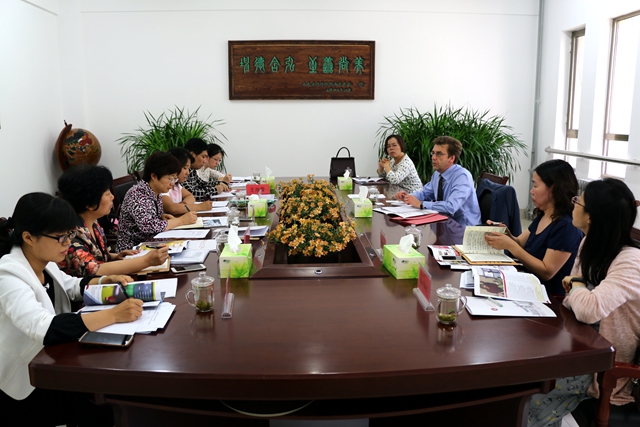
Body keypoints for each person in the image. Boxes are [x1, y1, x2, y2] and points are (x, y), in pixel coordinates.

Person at [0, 192, 143, 426]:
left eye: (69, 235)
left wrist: (104, 281)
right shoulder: (8, 275)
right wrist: (113, 315)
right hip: (27, 379)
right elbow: (44, 327)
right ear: (29, 237)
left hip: (54, 359)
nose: (67, 243)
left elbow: (72, 286)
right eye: (60, 237)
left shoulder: (44, 262)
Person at [527, 178, 640, 427]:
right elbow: (571, 297)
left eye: (579, 201)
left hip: (601, 366)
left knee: (528, 392)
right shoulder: (588, 242)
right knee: (525, 364)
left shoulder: (631, 261)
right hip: (578, 342)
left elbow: (588, 308)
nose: (574, 204)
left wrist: (578, 284)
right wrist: (578, 288)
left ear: (591, 217)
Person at [485, 159, 583, 295]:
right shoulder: (544, 214)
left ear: (553, 188)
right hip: (527, 284)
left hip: (547, 295)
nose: (531, 191)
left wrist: (510, 245)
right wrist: (507, 235)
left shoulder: (566, 226)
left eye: (535, 186)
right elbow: (519, 243)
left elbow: (547, 271)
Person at [57, 164, 169, 277]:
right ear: (90, 204)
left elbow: (100, 256)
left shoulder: (92, 222)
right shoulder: (72, 236)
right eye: (107, 194)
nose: (112, 197)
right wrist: (147, 260)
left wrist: (115, 256)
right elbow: (95, 270)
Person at [116, 151, 198, 252]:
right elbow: (149, 226)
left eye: (174, 179)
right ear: (154, 176)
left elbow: (151, 220)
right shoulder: (137, 194)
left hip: (151, 245)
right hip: (132, 251)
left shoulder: (156, 192)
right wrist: (181, 221)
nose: (172, 184)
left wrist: (160, 217)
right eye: (170, 179)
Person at [393, 136, 480, 227]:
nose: (433, 157)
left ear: (451, 158)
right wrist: (408, 197)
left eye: (439, 154)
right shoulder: (438, 174)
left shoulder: (462, 176)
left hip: (462, 228)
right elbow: (425, 194)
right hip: (444, 223)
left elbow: (451, 207)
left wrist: (421, 204)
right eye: (433, 153)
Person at [162, 147, 214, 215]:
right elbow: (172, 208)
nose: (188, 173)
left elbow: (190, 196)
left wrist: (184, 205)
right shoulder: (164, 186)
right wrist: (199, 207)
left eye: (188, 168)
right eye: (185, 168)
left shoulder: (176, 185)